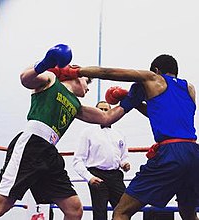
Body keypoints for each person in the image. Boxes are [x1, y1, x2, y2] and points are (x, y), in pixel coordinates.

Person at [0, 44, 142, 220]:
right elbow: (25, 79)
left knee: (74, 209)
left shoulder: (77, 105)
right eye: (87, 82)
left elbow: (107, 118)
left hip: (49, 153)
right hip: (31, 145)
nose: (87, 89)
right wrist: (47, 62)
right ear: (76, 76)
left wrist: (131, 100)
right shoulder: (51, 80)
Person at [54, 54, 199, 220]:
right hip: (194, 153)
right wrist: (136, 102)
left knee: (121, 212)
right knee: (188, 212)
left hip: (170, 154)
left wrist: (76, 71)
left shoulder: (152, 78)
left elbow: (109, 72)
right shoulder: (189, 88)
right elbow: (164, 114)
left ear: (156, 71)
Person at [73, 100, 130, 220]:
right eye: (101, 109)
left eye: (106, 109)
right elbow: (78, 160)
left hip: (116, 176)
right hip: (97, 176)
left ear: (112, 112)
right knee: (100, 213)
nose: (103, 112)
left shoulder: (119, 133)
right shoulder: (87, 133)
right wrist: (89, 178)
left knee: (124, 210)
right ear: (95, 111)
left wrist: (124, 164)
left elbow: (124, 156)